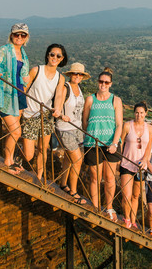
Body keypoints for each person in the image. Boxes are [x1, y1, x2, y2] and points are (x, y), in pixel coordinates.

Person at [0, 23, 31, 173]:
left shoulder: (23, 53)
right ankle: (7, 161)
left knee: (13, 131)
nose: (19, 37)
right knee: (16, 131)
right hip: (6, 94)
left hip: (18, 94)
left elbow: (24, 75)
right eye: (16, 34)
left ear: (26, 38)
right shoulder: (4, 50)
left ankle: (11, 159)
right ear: (11, 35)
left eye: (22, 35)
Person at [21, 43, 68, 180]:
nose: (54, 57)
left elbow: (59, 96)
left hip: (46, 116)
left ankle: (39, 176)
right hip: (30, 114)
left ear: (62, 59)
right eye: (52, 54)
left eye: (58, 56)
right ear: (47, 55)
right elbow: (24, 89)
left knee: (43, 149)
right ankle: (18, 157)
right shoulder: (36, 71)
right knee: (29, 154)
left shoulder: (60, 78)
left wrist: (58, 109)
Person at [82, 67, 123, 218]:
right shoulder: (90, 99)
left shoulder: (116, 100)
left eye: (106, 82)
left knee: (110, 178)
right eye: (101, 81)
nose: (103, 84)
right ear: (97, 82)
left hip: (110, 144)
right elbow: (84, 120)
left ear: (110, 84)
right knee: (95, 177)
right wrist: (90, 135)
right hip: (93, 143)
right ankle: (95, 206)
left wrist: (114, 143)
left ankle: (110, 207)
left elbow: (119, 124)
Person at [57, 62, 90, 204]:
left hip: (76, 128)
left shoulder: (79, 88)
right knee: (77, 160)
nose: (77, 76)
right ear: (70, 74)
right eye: (75, 73)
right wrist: (61, 115)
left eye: (80, 74)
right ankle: (73, 192)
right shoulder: (66, 88)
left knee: (69, 158)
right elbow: (57, 106)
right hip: (65, 128)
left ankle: (63, 183)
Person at [119, 102, 152, 229]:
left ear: (146, 113)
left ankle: (133, 221)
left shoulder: (149, 128)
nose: (139, 115)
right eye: (137, 113)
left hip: (141, 167)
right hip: (127, 164)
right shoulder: (127, 126)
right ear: (134, 113)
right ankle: (127, 218)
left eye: (141, 113)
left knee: (135, 195)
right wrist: (119, 157)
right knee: (126, 195)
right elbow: (121, 141)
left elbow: (149, 146)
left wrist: (145, 160)